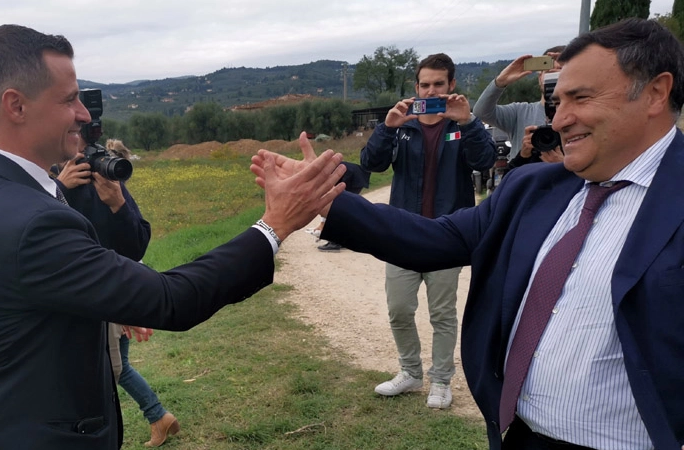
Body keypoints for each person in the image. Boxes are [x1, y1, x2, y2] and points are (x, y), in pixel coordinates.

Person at [252, 18, 684, 450]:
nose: (562, 118)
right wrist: (324, 197)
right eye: (557, 101)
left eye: (581, 98)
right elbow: (431, 239)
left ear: (655, 93)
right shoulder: (532, 189)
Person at [0, 24, 346, 450]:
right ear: (16, 106)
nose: (83, 113)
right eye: (68, 98)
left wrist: (110, 293)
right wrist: (274, 225)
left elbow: (46, 294)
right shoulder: (27, 219)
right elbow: (172, 300)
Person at [359, 53, 496, 409]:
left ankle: (440, 381)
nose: (431, 90)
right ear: (416, 87)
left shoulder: (463, 123)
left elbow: (484, 163)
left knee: (442, 314)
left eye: (439, 84)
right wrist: (387, 126)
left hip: (447, 234)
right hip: (402, 233)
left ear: (451, 85)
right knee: (399, 309)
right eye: (425, 84)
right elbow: (371, 164)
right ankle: (410, 372)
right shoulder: (403, 124)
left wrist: (468, 123)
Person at [53, 139, 178, 447]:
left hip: (107, 292)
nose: (81, 151)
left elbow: (136, 244)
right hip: (73, 303)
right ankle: (158, 417)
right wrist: (58, 189)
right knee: (111, 368)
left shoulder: (107, 181)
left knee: (114, 368)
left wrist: (118, 204)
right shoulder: (50, 180)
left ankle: (157, 416)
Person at [472, 46, 565, 162]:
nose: (554, 77)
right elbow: (481, 113)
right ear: (540, 77)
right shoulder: (519, 112)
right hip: (525, 176)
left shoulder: (579, 114)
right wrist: (501, 81)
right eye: (549, 72)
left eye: (560, 72)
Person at [314, 161, 370, 252]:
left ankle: (335, 242)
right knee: (345, 208)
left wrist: (323, 224)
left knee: (337, 207)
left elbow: (327, 203)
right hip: (356, 177)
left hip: (353, 178)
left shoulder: (321, 175)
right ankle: (343, 241)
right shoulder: (322, 170)